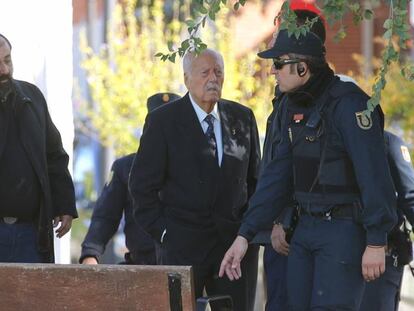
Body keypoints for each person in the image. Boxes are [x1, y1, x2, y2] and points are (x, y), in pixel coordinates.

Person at [219, 29, 397, 311]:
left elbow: (373, 175)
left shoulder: (349, 104)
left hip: (343, 231)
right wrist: (244, 235)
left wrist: (376, 241)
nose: (273, 72)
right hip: (304, 230)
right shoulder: (294, 104)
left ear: (302, 67)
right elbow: (276, 177)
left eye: (278, 64)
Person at [129, 48, 261, 311]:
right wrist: (165, 233)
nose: (213, 78)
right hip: (182, 247)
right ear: (187, 79)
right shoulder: (162, 121)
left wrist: (247, 234)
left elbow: (255, 181)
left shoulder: (242, 117)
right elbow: (142, 187)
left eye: (218, 72)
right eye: (205, 72)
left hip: (233, 250)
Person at [256, 6, 327, 311]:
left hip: (295, 233)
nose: (274, 51)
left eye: (282, 38)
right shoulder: (285, 101)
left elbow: (306, 171)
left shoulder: (325, 102)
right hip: (281, 232)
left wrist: (283, 218)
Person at [0, 33, 77, 263]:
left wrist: (64, 204)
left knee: (34, 299)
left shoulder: (31, 97)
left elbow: (54, 154)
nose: (4, 70)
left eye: (7, 60)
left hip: (31, 233)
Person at [80, 93, 180, 265]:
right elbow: (105, 216)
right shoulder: (126, 167)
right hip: (141, 264)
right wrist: (91, 253)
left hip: (185, 263)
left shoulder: (195, 165)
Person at [359, 131, 414, 311]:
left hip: (377, 254)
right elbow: (410, 197)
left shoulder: (388, 143)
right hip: (377, 255)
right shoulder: (387, 142)